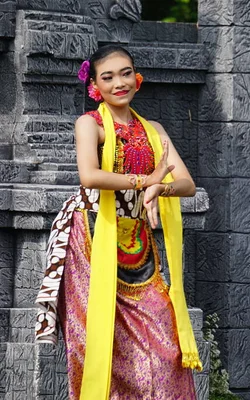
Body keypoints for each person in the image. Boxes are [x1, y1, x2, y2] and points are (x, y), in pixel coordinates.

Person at [34, 45, 201, 399]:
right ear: (95, 86)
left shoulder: (153, 130)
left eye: (125, 73)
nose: (119, 83)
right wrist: (145, 181)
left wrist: (159, 187)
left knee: (165, 346)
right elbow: (89, 176)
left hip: (138, 243)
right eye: (107, 77)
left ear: (137, 78)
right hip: (90, 236)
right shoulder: (89, 124)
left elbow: (186, 185)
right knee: (95, 342)